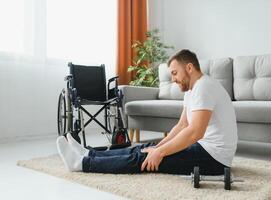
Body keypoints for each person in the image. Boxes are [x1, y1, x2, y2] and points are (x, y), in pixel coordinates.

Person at [56, 49, 238, 175]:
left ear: (189, 67)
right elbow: (182, 125)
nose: (173, 79)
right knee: (147, 148)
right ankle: (89, 154)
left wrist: (160, 153)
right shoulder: (192, 89)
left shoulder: (204, 87)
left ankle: (81, 164)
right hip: (205, 149)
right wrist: (159, 147)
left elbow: (195, 132)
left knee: (143, 158)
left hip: (214, 159)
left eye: (175, 73)